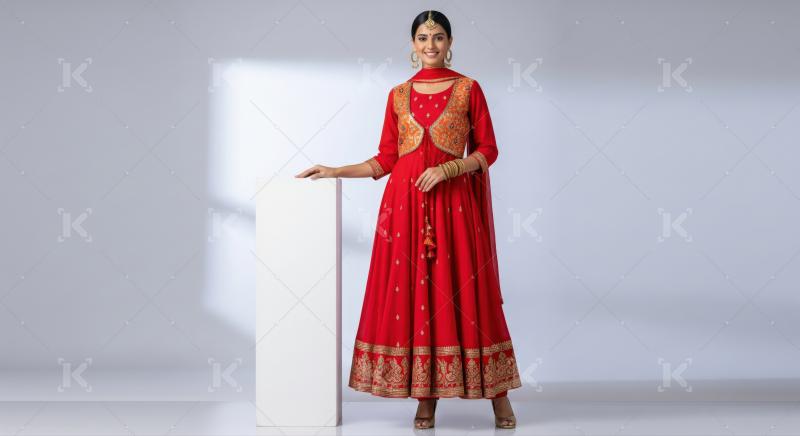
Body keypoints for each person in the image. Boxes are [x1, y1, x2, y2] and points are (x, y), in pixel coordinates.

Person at [296, 10, 520, 429]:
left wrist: (450, 169)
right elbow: (385, 159)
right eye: (422, 37)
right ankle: (425, 398)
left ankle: (499, 396)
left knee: (469, 295)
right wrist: (335, 170)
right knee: (416, 300)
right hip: (404, 209)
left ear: (450, 42)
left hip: (455, 208)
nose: (430, 44)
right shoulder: (397, 95)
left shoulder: (468, 88)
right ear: (413, 45)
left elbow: (488, 150)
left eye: (438, 37)